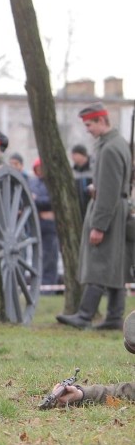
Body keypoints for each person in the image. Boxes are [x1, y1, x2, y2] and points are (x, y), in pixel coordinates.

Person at [57, 103, 131, 330]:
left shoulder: (109, 149)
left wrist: (99, 225)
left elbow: (108, 192)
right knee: (116, 265)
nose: (87, 129)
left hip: (107, 211)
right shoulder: (119, 144)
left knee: (99, 263)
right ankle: (114, 317)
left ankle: (85, 315)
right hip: (118, 210)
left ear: (101, 120)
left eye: (89, 124)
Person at [28, 158, 59, 286]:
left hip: (50, 226)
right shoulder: (32, 182)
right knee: (37, 256)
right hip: (36, 223)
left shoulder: (53, 183)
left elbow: (52, 201)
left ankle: (49, 284)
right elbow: (28, 198)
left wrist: (37, 200)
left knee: (50, 256)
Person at [71, 143, 93, 222]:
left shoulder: (93, 169)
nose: (72, 157)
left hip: (91, 208)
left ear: (82, 154)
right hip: (78, 210)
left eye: (75, 154)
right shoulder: (73, 171)